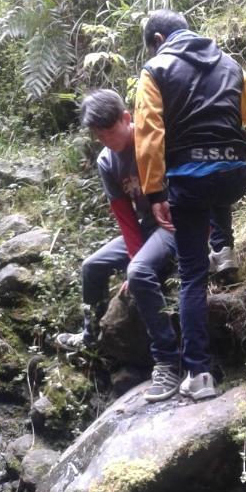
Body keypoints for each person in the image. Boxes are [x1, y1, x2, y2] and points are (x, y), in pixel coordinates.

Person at [134, 10, 246, 401]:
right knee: (216, 180)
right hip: (234, 176)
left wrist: (155, 193)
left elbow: (149, 135)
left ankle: (199, 373)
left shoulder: (156, 69)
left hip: (188, 182)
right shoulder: (230, 65)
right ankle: (223, 250)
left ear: (157, 38)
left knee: (190, 275)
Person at [55, 89, 181, 403]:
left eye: (111, 131)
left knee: (139, 273)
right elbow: (125, 216)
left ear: (127, 118)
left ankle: (168, 360)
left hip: (172, 224)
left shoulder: (153, 138)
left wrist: (137, 265)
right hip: (144, 228)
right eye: (100, 135)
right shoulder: (107, 161)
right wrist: (135, 256)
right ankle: (90, 335)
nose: (107, 139)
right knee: (91, 267)